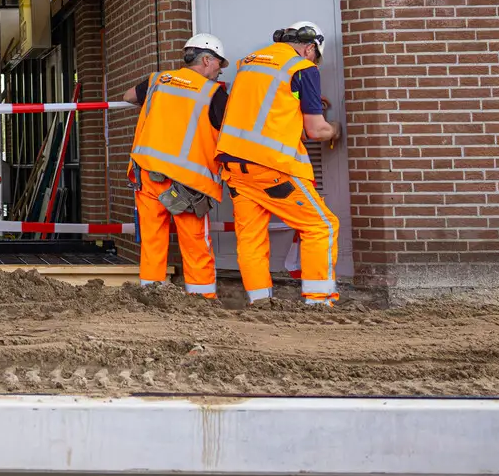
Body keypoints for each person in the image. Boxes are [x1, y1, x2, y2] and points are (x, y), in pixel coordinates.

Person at [215, 21, 342, 306]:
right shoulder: (302, 68)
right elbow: (316, 130)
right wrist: (335, 128)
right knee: (322, 226)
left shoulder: (249, 63)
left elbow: (267, 106)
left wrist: (301, 103)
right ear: (310, 48)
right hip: (271, 168)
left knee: (251, 238)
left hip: (234, 167)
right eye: (315, 57)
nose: (313, 62)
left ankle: (260, 302)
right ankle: (319, 300)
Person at [122, 34, 228, 298]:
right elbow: (232, 129)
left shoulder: (158, 80)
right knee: (194, 243)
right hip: (188, 182)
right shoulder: (213, 93)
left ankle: (151, 296)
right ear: (206, 60)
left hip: (148, 175)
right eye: (218, 65)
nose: (219, 71)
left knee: (153, 240)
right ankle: (201, 299)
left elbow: (127, 96)